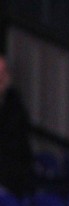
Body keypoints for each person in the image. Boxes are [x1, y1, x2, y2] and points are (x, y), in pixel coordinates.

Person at [0, 54, 34, 197]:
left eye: (3, 73)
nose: (1, 78)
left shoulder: (15, 104)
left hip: (11, 176)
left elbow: (19, 144)